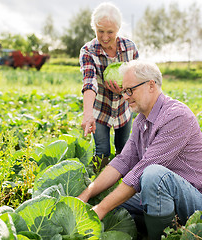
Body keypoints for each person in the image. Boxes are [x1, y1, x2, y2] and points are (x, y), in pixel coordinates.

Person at [77, 60, 202, 239]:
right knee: (110, 198)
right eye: (124, 91)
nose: (126, 96)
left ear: (151, 85)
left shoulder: (176, 116)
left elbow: (143, 171)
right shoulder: (141, 121)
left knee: (153, 174)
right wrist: (86, 194)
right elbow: (123, 161)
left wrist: (101, 210)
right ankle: (163, 227)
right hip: (165, 196)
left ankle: (160, 236)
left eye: (130, 90)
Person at [79, 2, 139, 169]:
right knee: (102, 152)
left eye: (110, 32)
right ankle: (98, 187)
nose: (105, 37)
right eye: (100, 31)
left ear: (118, 29)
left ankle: (121, 187)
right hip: (100, 109)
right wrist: (88, 114)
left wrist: (125, 90)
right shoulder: (88, 51)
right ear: (94, 29)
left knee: (124, 151)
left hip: (124, 108)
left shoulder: (129, 48)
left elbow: (138, 78)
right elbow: (89, 82)